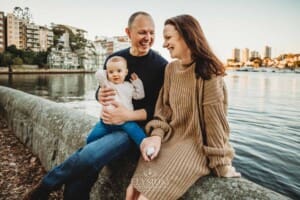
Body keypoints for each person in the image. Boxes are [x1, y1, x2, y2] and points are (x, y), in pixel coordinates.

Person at [23, 11, 167, 200]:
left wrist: (126, 116)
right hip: (108, 122)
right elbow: (101, 91)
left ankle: (46, 186)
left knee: (91, 156)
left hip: (135, 129)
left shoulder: (161, 66)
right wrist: (101, 95)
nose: (148, 38)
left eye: (151, 32)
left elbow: (160, 109)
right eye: (142, 32)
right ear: (128, 32)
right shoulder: (114, 59)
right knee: (90, 161)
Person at [126, 14, 241, 200]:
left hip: (193, 148)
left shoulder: (209, 74)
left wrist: (221, 165)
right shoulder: (171, 69)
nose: (164, 44)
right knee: (132, 191)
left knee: (144, 198)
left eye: (168, 38)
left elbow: (215, 124)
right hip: (167, 142)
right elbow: (163, 111)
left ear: (187, 36)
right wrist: (155, 136)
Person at [87, 55, 146, 147]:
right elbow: (98, 75)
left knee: (138, 134)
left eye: (119, 71)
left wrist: (137, 82)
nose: (115, 74)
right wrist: (106, 72)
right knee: (90, 139)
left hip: (125, 121)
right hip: (106, 122)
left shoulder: (129, 86)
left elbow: (140, 96)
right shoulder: (106, 84)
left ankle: (146, 147)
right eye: (111, 72)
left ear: (126, 72)